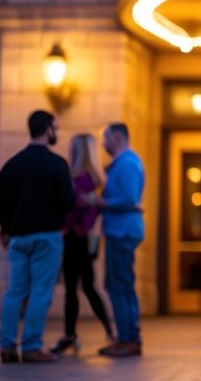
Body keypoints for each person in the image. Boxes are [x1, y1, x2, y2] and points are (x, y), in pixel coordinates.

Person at [0, 110, 74, 364]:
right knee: (41, 291)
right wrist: (60, 222)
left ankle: (6, 345)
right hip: (47, 236)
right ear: (48, 129)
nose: (57, 133)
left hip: (18, 237)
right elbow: (68, 201)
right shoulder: (57, 164)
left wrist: (6, 228)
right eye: (55, 128)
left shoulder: (12, 165)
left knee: (15, 291)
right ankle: (31, 345)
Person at [51, 133, 114, 356]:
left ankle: (72, 334)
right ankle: (104, 330)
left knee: (75, 288)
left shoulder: (78, 179)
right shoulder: (97, 179)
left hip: (75, 238)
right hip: (88, 238)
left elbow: (71, 209)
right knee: (86, 286)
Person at [96, 122, 146, 358]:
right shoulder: (123, 163)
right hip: (119, 230)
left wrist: (101, 202)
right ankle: (125, 336)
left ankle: (129, 338)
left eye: (105, 138)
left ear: (116, 138)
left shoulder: (127, 163)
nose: (103, 143)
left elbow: (129, 197)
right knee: (117, 285)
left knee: (121, 286)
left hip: (122, 231)